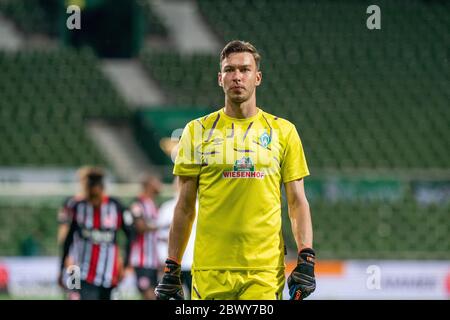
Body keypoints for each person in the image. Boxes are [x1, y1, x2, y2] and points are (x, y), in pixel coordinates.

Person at [155, 40, 316, 300]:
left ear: (258, 77)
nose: (237, 77)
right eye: (230, 70)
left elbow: (297, 202)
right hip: (210, 271)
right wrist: (172, 266)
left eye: (245, 70)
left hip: (263, 272)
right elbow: (184, 206)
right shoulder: (196, 131)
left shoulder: (283, 132)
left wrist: (306, 255)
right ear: (220, 78)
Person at [58, 167, 132, 300]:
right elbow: (65, 235)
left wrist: (124, 263)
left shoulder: (115, 206)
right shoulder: (75, 205)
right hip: (77, 267)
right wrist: (64, 264)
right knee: (73, 296)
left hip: (109, 273)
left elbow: (129, 236)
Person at [157, 176, 197, 299]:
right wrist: (163, 259)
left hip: (193, 262)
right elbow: (160, 236)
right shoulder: (166, 208)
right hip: (175, 262)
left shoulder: (201, 205)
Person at [128, 175, 162, 300]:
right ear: (149, 185)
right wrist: (163, 226)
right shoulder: (137, 204)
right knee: (148, 294)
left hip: (153, 260)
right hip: (141, 260)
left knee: (155, 294)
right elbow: (140, 227)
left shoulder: (154, 204)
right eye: (157, 181)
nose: (160, 184)